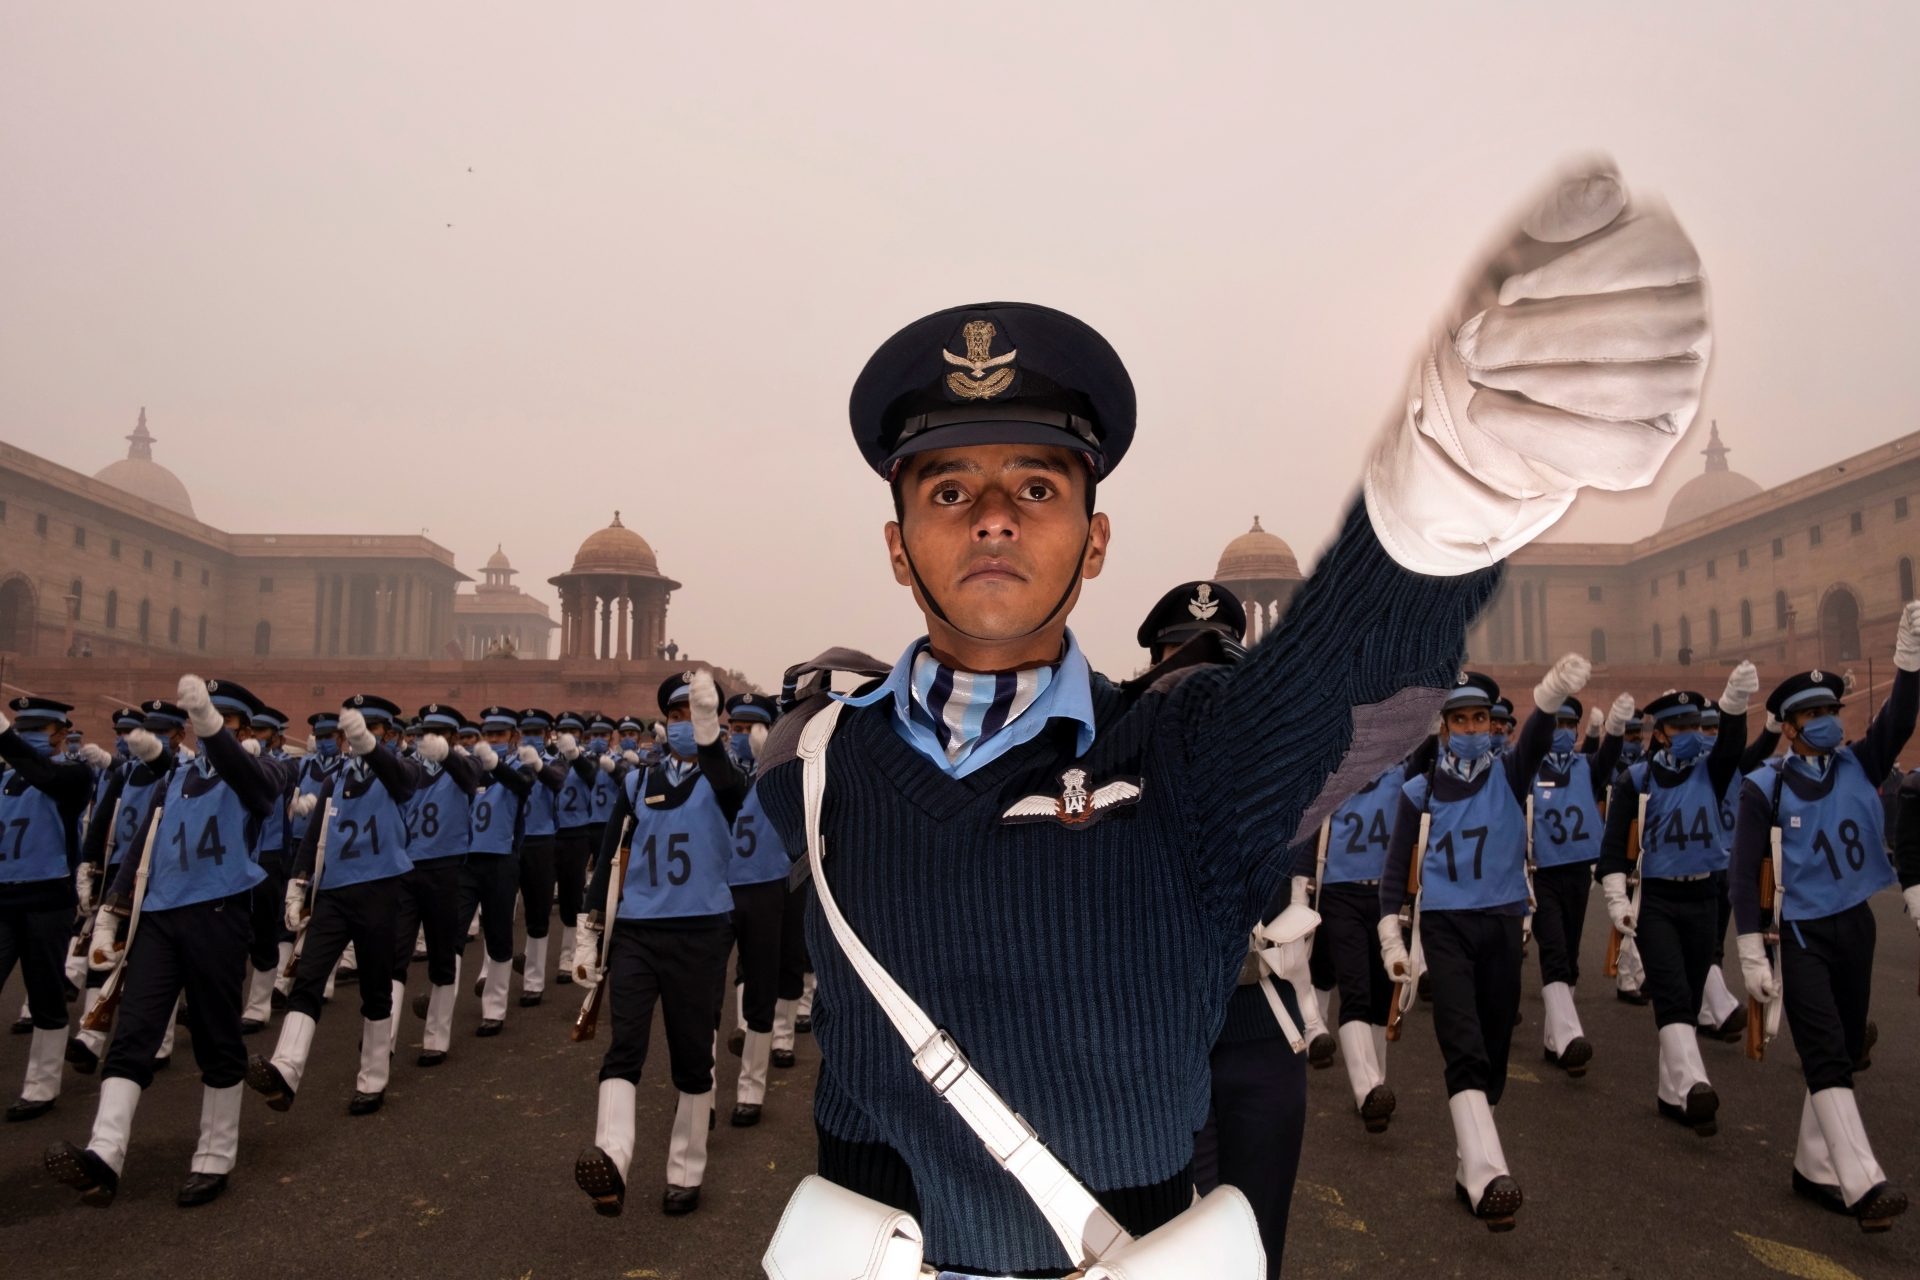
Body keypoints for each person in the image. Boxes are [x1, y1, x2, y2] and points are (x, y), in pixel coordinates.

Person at [747, 170, 1707, 1276]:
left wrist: (1452, 490)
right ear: (897, 540)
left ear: (1096, 540)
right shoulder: (818, 765)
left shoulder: (1181, 758)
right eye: (950, 489)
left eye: (1039, 485)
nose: (997, 514)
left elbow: (1338, 690)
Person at [45, 677, 290, 1207]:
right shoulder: (172, 778)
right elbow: (142, 847)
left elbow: (261, 791)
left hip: (218, 913)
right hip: (159, 914)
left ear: (244, 729)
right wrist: (111, 909)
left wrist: (215, 731)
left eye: (223, 721)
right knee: (133, 1031)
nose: (210, 729)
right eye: (205, 719)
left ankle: (215, 1155)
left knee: (215, 1035)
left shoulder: (264, 768)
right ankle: (104, 1154)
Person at [1129, 580, 1314, 1268]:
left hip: (1263, 1029)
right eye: (1179, 668)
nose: (1195, 687)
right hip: (1163, 1039)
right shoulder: (1118, 771)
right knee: (1177, 1246)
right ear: (1152, 674)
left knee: (1258, 1248)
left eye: (1216, 673)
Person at [1379, 662, 1586, 1229]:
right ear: (1443, 727)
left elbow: (1539, 733)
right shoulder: (1418, 792)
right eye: (1460, 719)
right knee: (1464, 1044)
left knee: (1493, 1050)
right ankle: (1490, 1174)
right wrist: (1390, 933)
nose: (1472, 728)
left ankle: (1472, 1159)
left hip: (1501, 922)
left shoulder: (1510, 773)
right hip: (1445, 926)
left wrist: (1550, 695)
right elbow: (1397, 869)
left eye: (1480, 718)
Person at [1734, 625, 1920, 1232]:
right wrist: (1751, 951)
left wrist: (1908, 664)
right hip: (1803, 932)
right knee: (1825, 1055)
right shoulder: (1765, 785)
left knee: (1840, 1049)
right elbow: (1743, 875)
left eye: (1830, 710)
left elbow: (1898, 720)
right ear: (1787, 726)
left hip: (1856, 923)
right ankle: (1862, 1182)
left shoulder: (1856, 762)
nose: (1826, 721)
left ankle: (1812, 1165)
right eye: (1811, 714)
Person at [573, 671, 744, 1217]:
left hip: (701, 930)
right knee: (625, 1045)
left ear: (716, 720)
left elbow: (724, 777)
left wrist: (710, 733)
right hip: (638, 932)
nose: (684, 725)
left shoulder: (726, 778)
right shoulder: (635, 783)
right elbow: (607, 861)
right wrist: (589, 930)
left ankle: (685, 1170)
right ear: (663, 724)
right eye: (675, 716)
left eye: (695, 715)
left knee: (693, 1055)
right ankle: (612, 1158)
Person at [1596, 666, 1757, 1140]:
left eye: (1695, 724)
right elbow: (1612, 852)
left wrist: (1734, 703)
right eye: (1681, 727)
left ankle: (1670, 1093)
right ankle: (1693, 1083)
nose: (1691, 734)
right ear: (1661, 732)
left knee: (1687, 993)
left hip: (1705, 893)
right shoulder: (1637, 780)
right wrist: (1616, 900)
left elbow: (1730, 742)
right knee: (1669, 991)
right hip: (1658, 898)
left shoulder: (1714, 769)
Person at [248, 695, 418, 1115]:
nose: (352, 740)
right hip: (335, 892)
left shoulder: (402, 771)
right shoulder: (334, 778)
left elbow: (397, 775)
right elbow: (313, 837)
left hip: (380, 888)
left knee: (375, 987)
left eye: (369, 731)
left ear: (389, 735)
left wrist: (372, 747)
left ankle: (372, 1078)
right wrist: (298, 882)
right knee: (307, 978)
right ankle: (286, 1069)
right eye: (349, 734)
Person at [1528, 691, 1629, 1075]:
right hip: (1541, 873)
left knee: (1568, 955)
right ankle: (1571, 1035)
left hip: (1577, 871)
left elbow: (1608, 755)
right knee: (1553, 948)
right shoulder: (1528, 768)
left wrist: (1613, 728)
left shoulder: (1586, 766)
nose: (1565, 731)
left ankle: (1556, 1042)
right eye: (1558, 724)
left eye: (1571, 725)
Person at [0, 697, 89, 1125]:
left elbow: (45, 775)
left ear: (59, 735)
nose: (33, 736)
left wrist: (7, 742)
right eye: (25, 729)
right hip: (3, 898)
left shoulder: (73, 775)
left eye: (40, 729)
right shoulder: (1, 779)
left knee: (45, 992)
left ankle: (41, 1084)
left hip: (47, 899)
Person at [392, 704, 479, 1067]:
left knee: (443, 956)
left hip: (446, 869)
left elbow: (466, 774)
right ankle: (384, 1038)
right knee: (394, 958)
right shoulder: (407, 768)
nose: (431, 739)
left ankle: (436, 1037)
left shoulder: (466, 765)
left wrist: (446, 754)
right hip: (405, 869)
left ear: (455, 738)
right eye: (427, 732)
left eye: (442, 733)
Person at [722, 691, 786, 1127]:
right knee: (706, 990)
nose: (740, 736)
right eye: (735, 728)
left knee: (762, 985)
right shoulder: (717, 773)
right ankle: (701, 1090)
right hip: (718, 888)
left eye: (749, 729)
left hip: (766, 887)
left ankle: (751, 1087)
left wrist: (773, 761)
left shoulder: (781, 773)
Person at [458, 706, 538, 1035]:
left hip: (500, 858)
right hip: (464, 859)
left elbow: (522, 784)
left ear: (514, 737)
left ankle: (494, 1008)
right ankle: (439, 1019)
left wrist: (494, 765)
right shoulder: (470, 767)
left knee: (499, 936)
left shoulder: (522, 764)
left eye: (499, 735)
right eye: (487, 735)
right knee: (451, 936)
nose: (492, 740)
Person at [240, 706, 296, 1034]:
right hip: (232, 857)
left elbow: (278, 781)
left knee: (264, 930)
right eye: (252, 731)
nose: (256, 738)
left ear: (276, 736)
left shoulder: (285, 766)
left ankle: (259, 1004)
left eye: (262, 733)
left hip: (268, 855)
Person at [511, 709, 568, 1005]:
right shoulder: (506, 763)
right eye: (527, 732)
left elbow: (558, 780)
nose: (532, 737)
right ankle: (489, 973)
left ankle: (533, 980)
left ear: (547, 735)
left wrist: (538, 766)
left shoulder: (554, 763)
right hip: (509, 843)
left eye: (537, 732)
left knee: (537, 913)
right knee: (499, 913)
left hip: (540, 842)